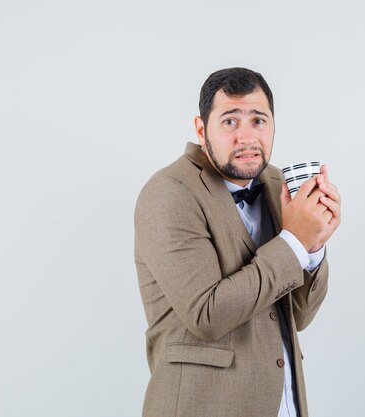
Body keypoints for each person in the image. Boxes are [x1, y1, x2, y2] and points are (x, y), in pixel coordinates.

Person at [134, 67, 341, 417]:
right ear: (202, 129)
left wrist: (314, 245)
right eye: (230, 121)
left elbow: (300, 315)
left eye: (258, 120)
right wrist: (294, 241)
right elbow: (207, 314)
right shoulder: (169, 192)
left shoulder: (277, 183)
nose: (247, 137)